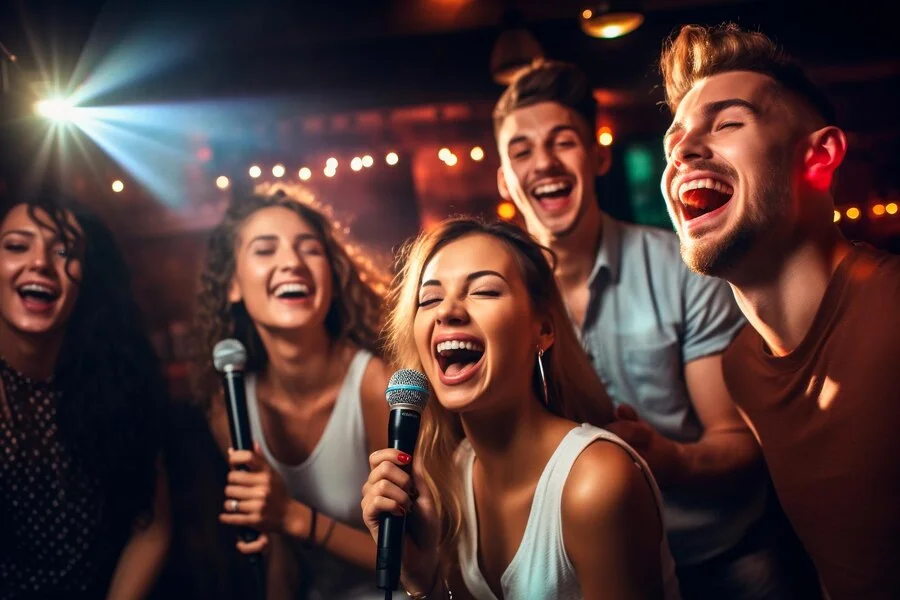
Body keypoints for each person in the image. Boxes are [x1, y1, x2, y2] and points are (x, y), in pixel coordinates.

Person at [491, 59, 797, 598]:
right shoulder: (495, 302)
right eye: (521, 151)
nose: (543, 163)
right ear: (504, 179)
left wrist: (668, 458)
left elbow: (739, 443)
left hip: (719, 560)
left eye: (563, 141)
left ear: (597, 155)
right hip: (581, 574)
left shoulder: (684, 270)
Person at [659, 23, 900, 600]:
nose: (684, 151)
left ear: (820, 155)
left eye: (728, 123)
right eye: (674, 142)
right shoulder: (742, 368)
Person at [362, 218, 680, 599]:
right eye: (429, 299)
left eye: (483, 291)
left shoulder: (596, 482)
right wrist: (422, 579)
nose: (447, 311)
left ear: (543, 329)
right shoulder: (454, 472)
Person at [192, 183, 397, 599]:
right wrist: (273, 523)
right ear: (232, 285)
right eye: (265, 250)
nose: (291, 262)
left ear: (333, 277)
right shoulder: (229, 407)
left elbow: (418, 561)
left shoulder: (376, 385)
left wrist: (291, 514)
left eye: (310, 249)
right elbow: (281, 562)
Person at [0, 192, 170, 599]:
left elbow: (150, 528)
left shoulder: (120, 382)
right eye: (17, 246)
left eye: (64, 251)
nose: (40, 262)